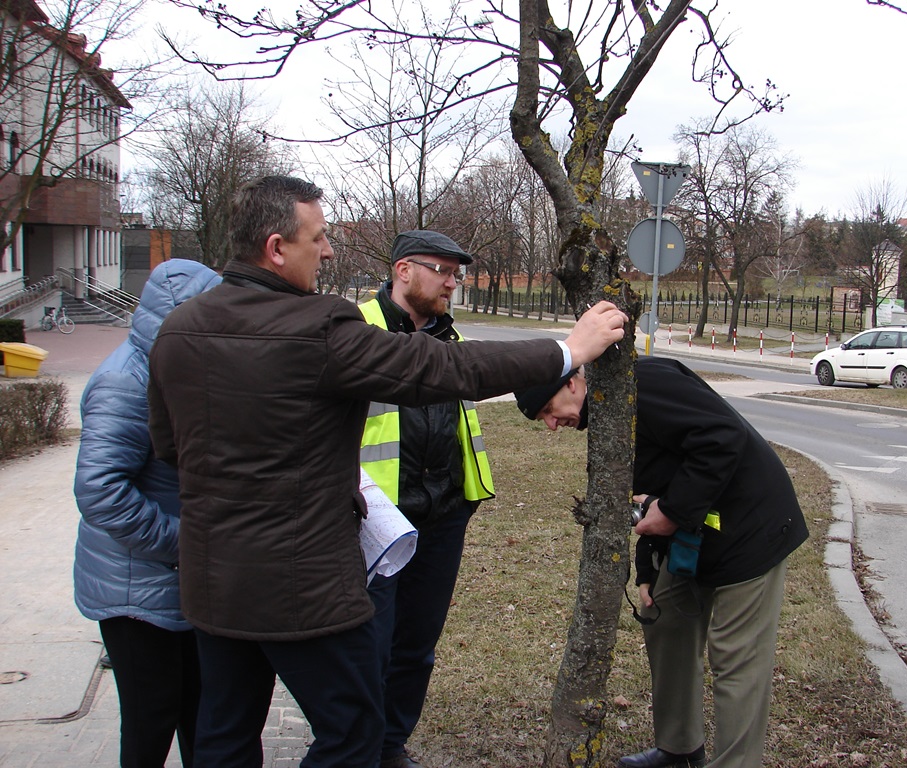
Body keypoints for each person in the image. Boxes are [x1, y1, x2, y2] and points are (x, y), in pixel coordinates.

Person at [146, 175, 627, 768]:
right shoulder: (319, 328)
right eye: (317, 239)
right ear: (276, 248)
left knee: (223, 732)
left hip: (213, 580)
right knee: (351, 732)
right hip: (304, 586)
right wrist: (568, 351)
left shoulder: (178, 329)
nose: (327, 251)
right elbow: (442, 370)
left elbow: (169, 450)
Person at [514, 357, 809, 768]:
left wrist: (671, 512)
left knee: (735, 659)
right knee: (664, 617)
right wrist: (648, 569)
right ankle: (679, 749)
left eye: (548, 410)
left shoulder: (641, 385)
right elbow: (646, 487)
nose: (550, 424)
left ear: (572, 382)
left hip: (751, 527)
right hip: (696, 529)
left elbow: (722, 436)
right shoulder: (607, 406)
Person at [73, 259, 221, 768]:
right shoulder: (125, 382)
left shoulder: (181, 368)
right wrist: (184, 543)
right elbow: (99, 491)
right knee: (150, 722)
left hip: (180, 580)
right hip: (136, 591)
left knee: (200, 714)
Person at [359, 230, 492, 768]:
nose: (452, 282)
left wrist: (460, 501)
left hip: (442, 518)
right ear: (404, 270)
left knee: (417, 645)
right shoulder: (357, 330)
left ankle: (391, 744)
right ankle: (358, 747)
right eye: (442, 270)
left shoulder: (449, 340)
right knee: (370, 646)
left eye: (456, 273)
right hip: (375, 521)